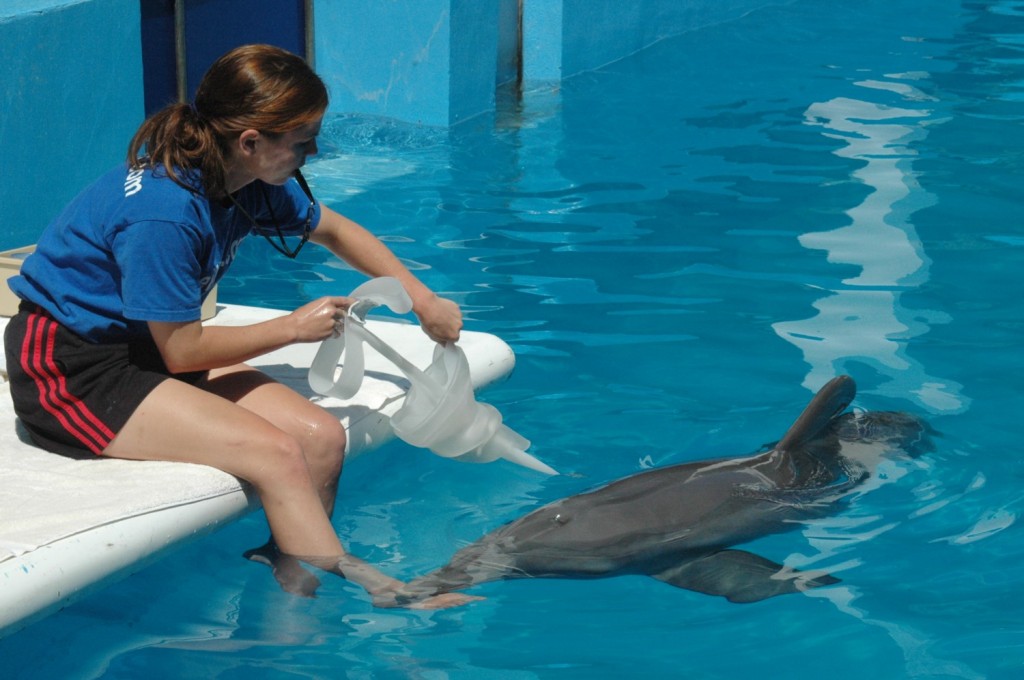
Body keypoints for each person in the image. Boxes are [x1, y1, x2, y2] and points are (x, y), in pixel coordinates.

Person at [4, 44, 477, 609]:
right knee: (274, 453)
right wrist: (292, 328)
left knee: (320, 439)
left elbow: (336, 231)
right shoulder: (164, 214)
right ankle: (378, 588)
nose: (313, 152)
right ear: (251, 141)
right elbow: (183, 351)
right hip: (73, 370)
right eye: (301, 141)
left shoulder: (238, 182)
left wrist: (420, 299)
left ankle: (290, 585)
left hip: (145, 348)